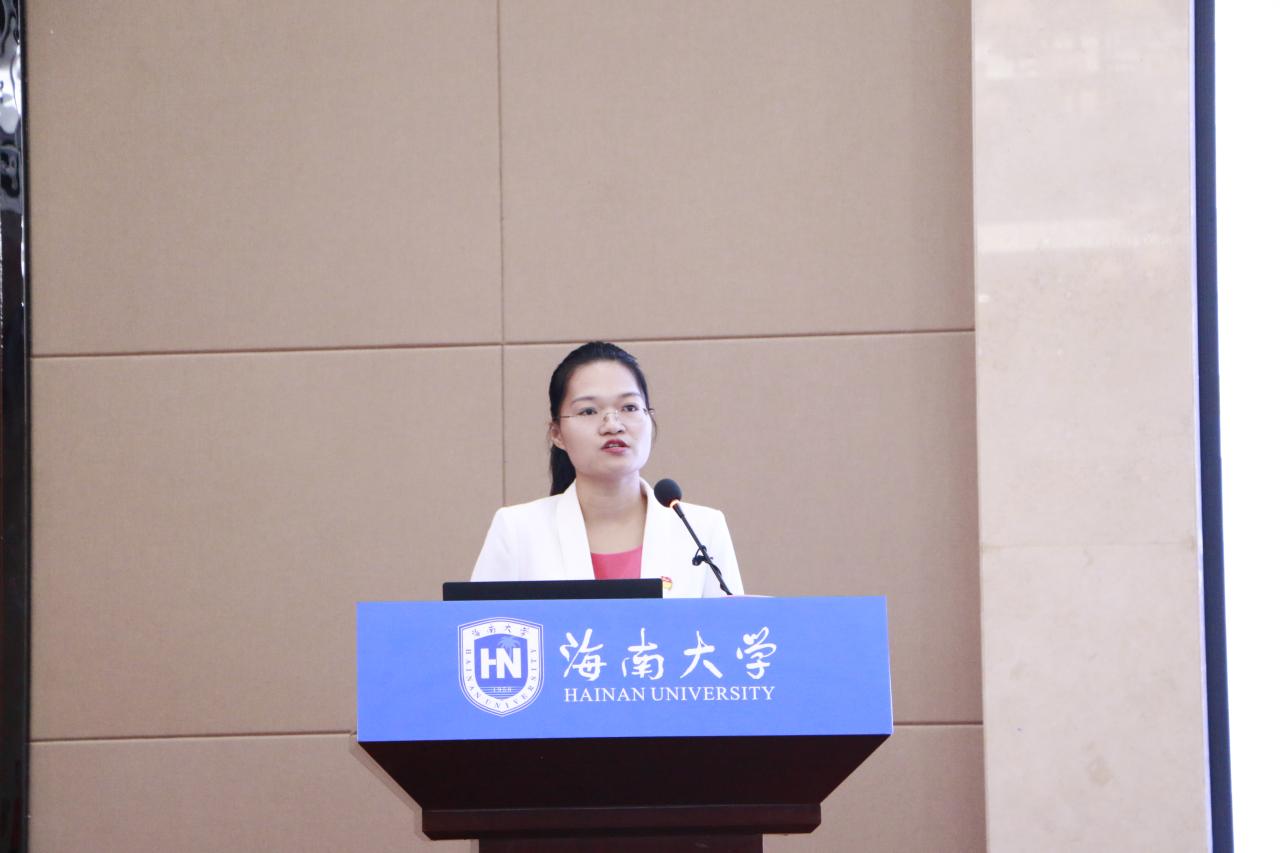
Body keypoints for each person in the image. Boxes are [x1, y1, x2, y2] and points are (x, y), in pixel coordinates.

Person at [470, 341, 744, 597]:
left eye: (629, 407)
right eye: (589, 411)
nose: (613, 425)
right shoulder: (517, 531)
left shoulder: (702, 529)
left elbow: (732, 627)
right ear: (557, 433)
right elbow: (478, 627)